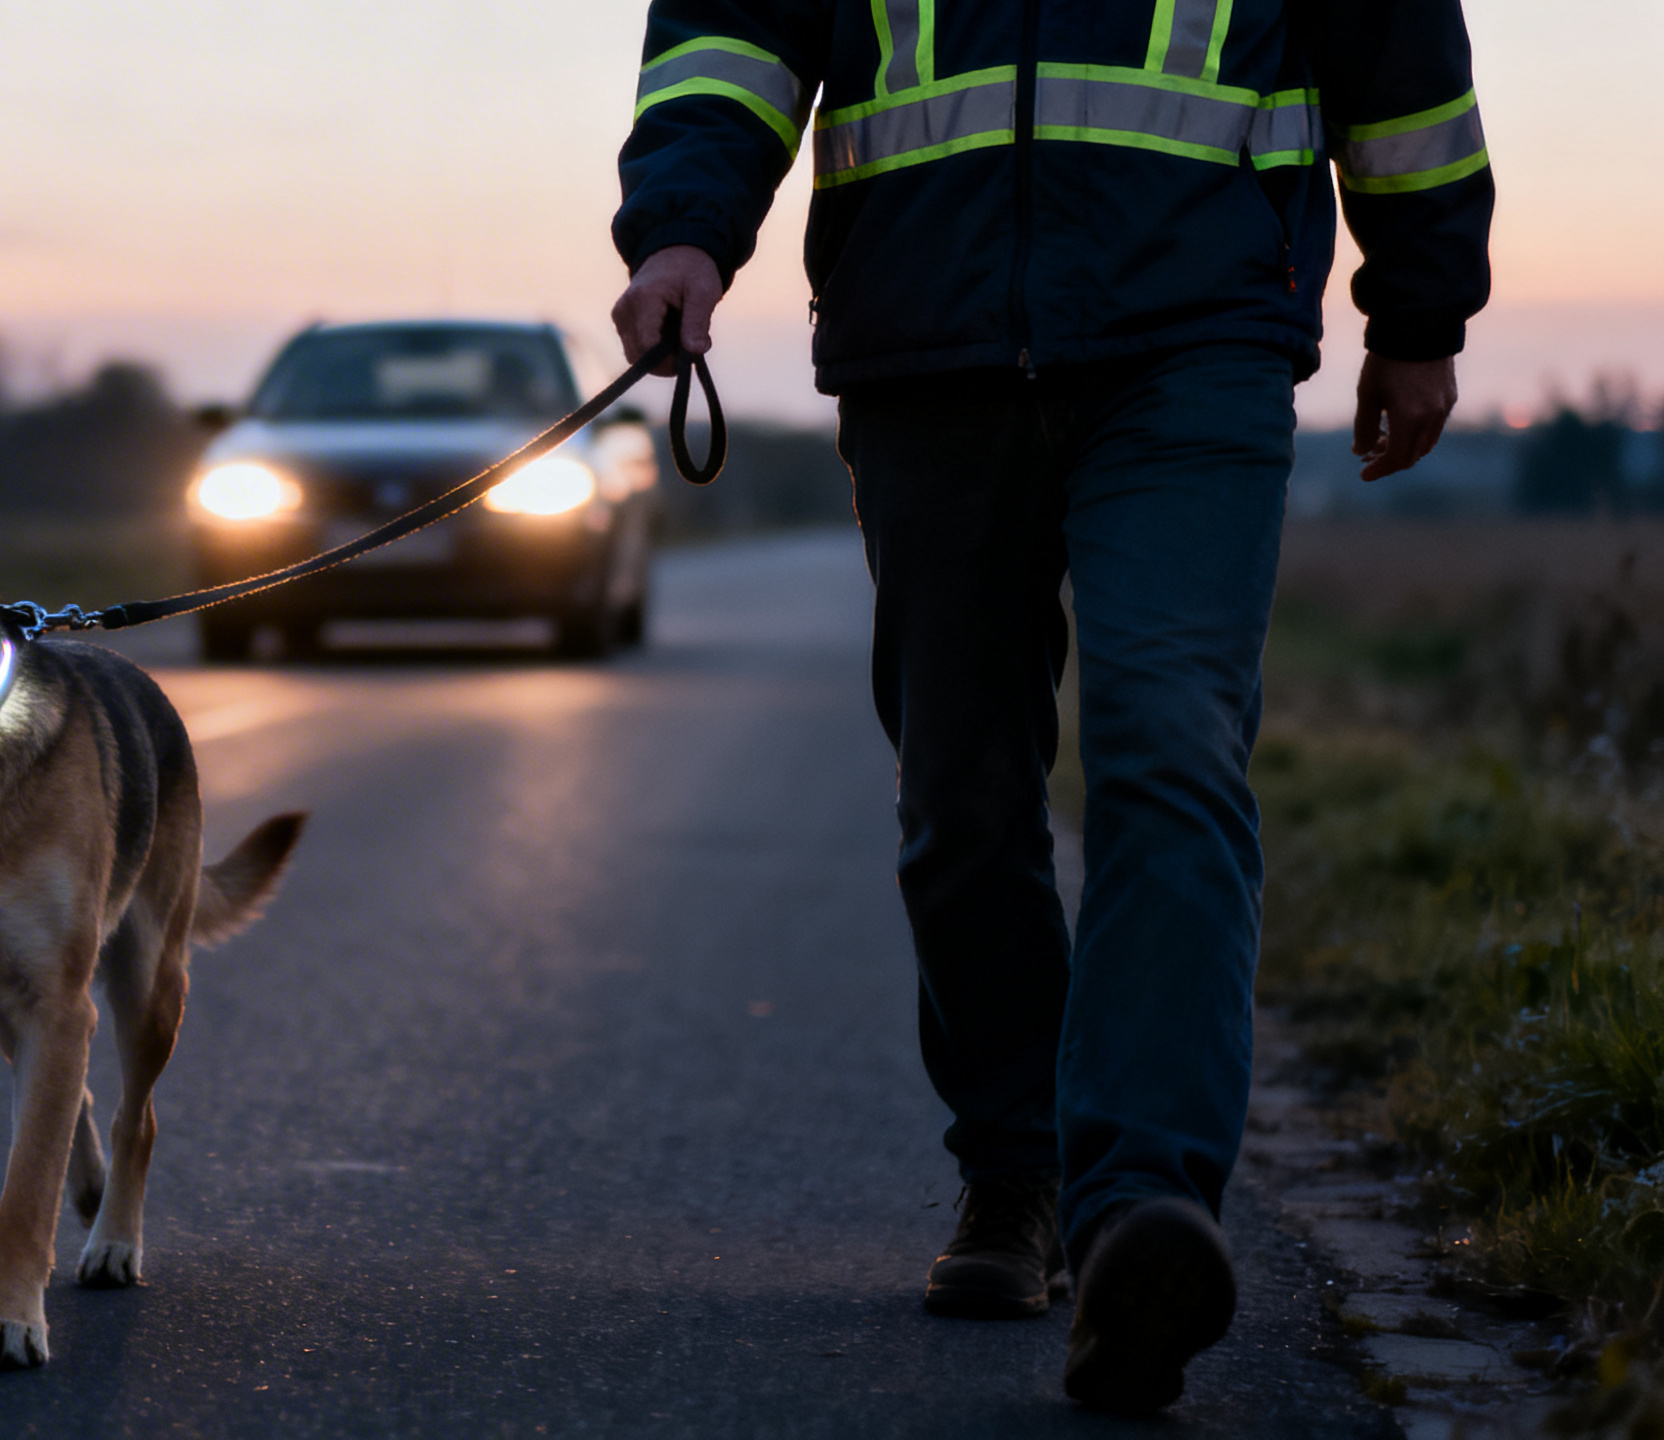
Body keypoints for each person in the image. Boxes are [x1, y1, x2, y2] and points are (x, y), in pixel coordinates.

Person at [607, 0, 1489, 1414]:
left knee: (1173, 748)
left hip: (1195, 341)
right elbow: (737, 33)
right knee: (960, 801)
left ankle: (1141, 1209)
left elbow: (1396, 53)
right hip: (928, 346)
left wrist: (1422, 305)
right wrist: (683, 227)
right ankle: (1017, 1167)